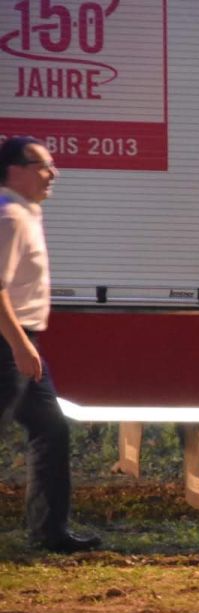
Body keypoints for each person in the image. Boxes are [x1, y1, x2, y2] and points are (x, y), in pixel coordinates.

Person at [0, 137, 97, 553]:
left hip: (18, 339)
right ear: (14, 170)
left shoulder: (24, 212)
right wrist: (20, 345)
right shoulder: (10, 217)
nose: (52, 173)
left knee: (50, 428)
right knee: (48, 429)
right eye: (42, 165)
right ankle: (48, 531)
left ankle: (49, 531)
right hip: (8, 341)